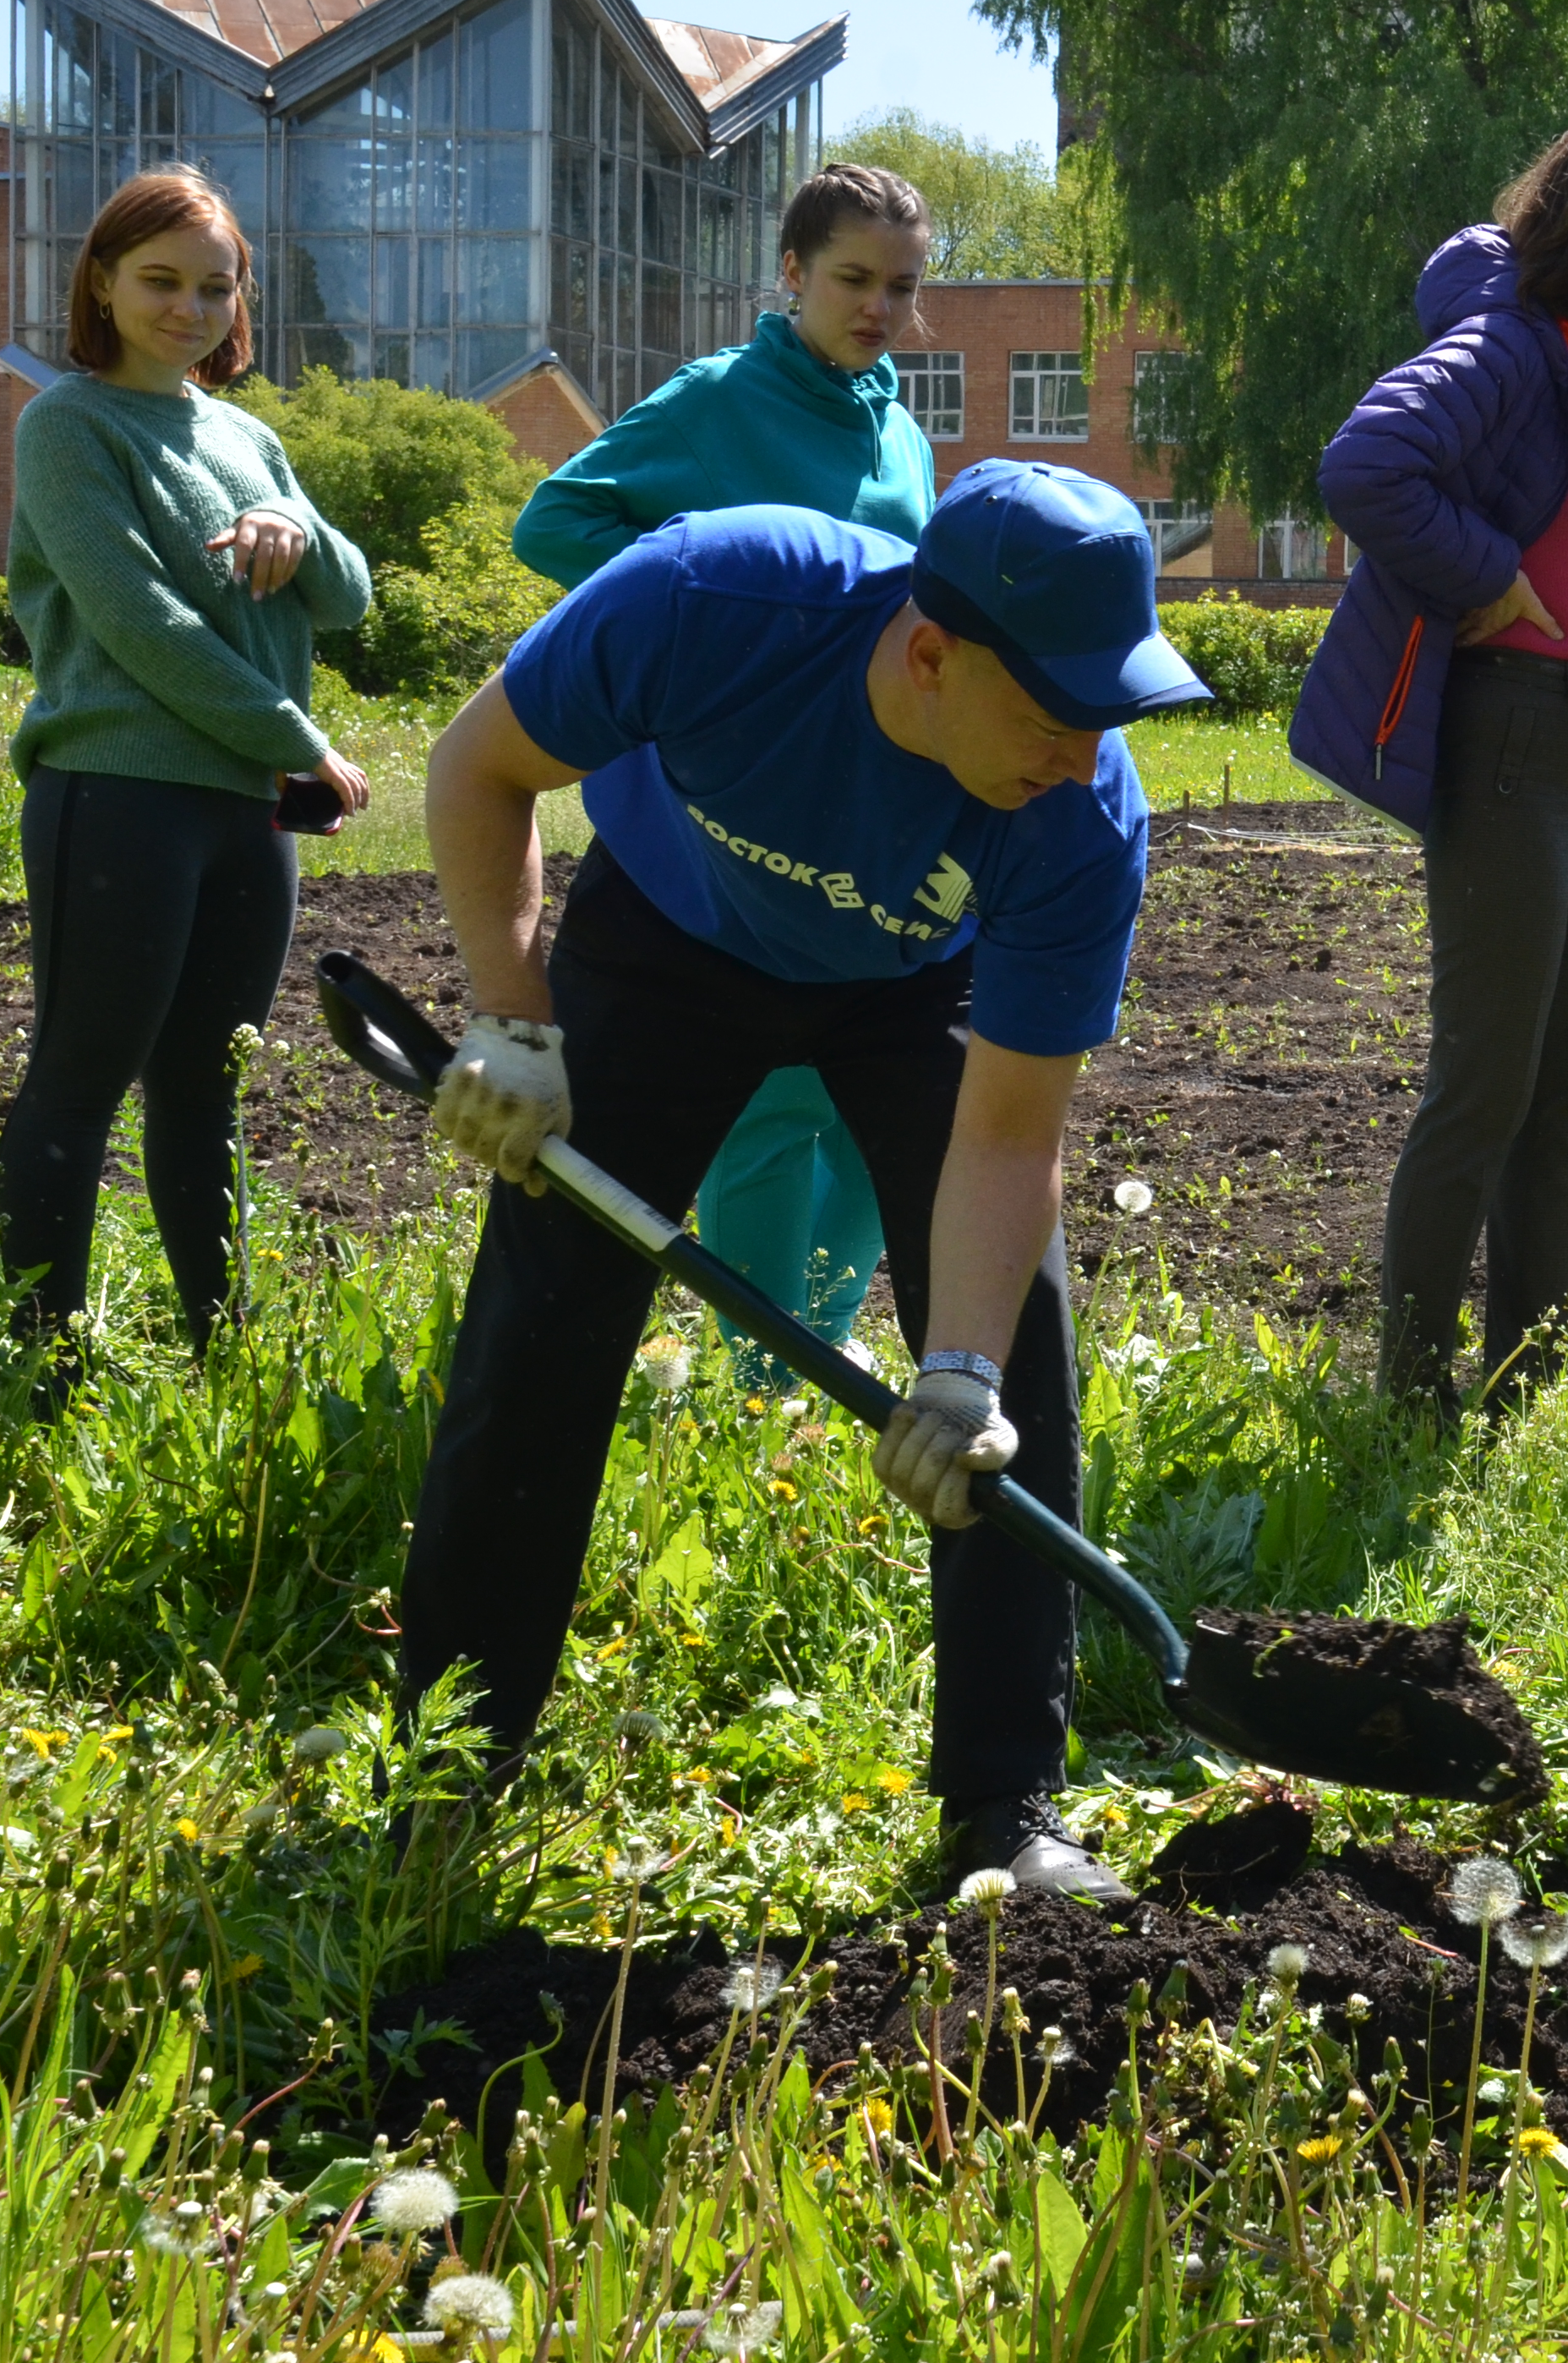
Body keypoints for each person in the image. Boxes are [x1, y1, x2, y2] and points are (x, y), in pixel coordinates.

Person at [397, 463, 1212, 1902]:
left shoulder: (1078, 822)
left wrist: (956, 1371)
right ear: (926, 655)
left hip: (916, 984)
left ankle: (1003, 1808)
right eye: (1052, 717)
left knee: (1016, 1353)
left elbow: (1010, 1137)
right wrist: (512, 1017)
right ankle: (451, 1763)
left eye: (1108, 721)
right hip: (667, 933)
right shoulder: (715, 593)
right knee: (544, 1318)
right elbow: (481, 768)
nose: (1081, 758)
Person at [1292, 119, 1568, 1412]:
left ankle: (1521, 1394)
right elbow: (1364, 465)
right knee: (1486, 1086)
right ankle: (1411, 1404)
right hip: (1517, 732)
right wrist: (1491, 578)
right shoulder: (1514, 345)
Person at [507, 164, 948, 1367]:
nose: (877, 307)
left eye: (901, 288)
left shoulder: (903, 431)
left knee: (864, 1118)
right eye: (852, 279)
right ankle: (766, 1375)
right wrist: (699, 614)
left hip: (868, 797)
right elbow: (552, 521)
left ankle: (826, 1338)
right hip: (733, 792)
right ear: (793, 274)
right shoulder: (717, 400)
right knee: (773, 1102)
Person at [0, 165, 374, 1370]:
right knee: (82, 1078)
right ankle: (44, 1365)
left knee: (207, 1092)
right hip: (118, 795)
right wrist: (296, 737)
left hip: (241, 815)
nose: (188, 307)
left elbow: (352, 601)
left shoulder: (248, 436)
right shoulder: (68, 425)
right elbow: (138, 621)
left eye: (215, 286)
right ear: (101, 283)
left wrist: (296, 529)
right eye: (159, 280)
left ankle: (221, 1349)